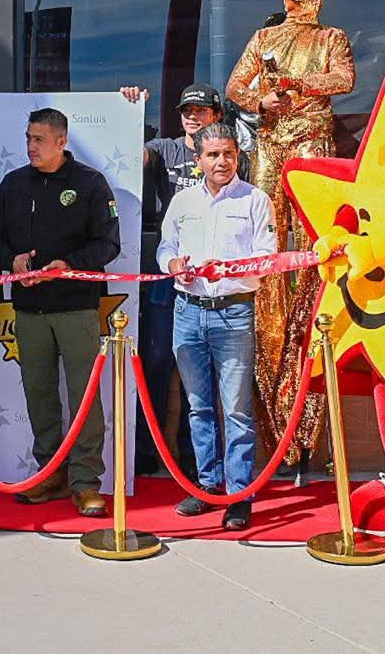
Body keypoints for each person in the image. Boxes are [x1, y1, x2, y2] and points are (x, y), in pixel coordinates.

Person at [225, 0, 354, 476]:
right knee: (267, 244)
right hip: (272, 144)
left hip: (312, 144)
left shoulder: (332, 37)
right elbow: (236, 87)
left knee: (312, 247)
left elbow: (344, 78)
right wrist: (263, 98)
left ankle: (307, 411)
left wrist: (297, 83)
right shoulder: (264, 38)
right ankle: (271, 407)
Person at [0, 108, 121, 517]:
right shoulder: (13, 183)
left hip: (76, 307)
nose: (31, 146)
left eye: (39, 139)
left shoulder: (90, 183)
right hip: (28, 309)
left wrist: (69, 265)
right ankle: (49, 472)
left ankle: (86, 482)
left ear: (61, 141)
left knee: (83, 398)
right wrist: (12, 263)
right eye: (28, 137)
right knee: (39, 394)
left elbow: (108, 244)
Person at [156, 123, 274, 530]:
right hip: (187, 312)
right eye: (213, 155)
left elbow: (267, 258)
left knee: (236, 409)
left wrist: (231, 269)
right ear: (198, 159)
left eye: (228, 154)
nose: (221, 161)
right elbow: (166, 247)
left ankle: (239, 496)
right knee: (198, 406)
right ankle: (207, 487)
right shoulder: (183, 200)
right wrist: (173, 264)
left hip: (234, 313)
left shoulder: (255, 199)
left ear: (237, 156)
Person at [118, 83, 238, 477]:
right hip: (165, 271)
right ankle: (146, 451)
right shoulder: (165, 149)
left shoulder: (226, 154)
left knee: (199, 366)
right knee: (155, 361)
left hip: (211, 277)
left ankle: (192, 455)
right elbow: (133, 155)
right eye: (187, 110)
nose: (192, 116)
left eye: (201, 110)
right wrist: (132, 112)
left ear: (215, 115)